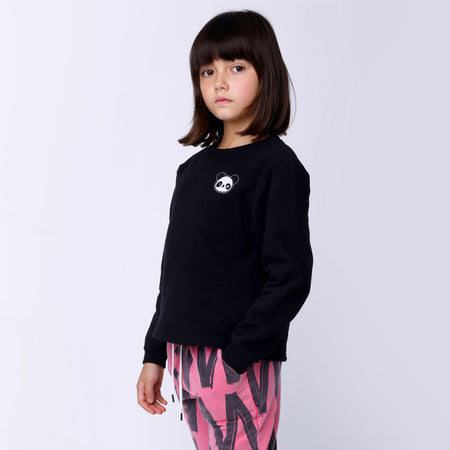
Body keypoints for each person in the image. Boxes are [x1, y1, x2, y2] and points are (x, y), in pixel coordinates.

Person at [136, 9, 313, 450]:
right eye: (207, 71)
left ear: (265, 73)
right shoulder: (192, 171)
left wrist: (237, 356)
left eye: (236, 68)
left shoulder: (277, 168)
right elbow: (174, 273)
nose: (219, 83)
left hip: (236, 359)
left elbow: (290, 275)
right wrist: (155, 353)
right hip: (183, 356)